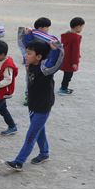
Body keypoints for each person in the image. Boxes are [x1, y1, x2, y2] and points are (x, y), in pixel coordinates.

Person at [5, 39, 63, 171]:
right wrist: (28, 34)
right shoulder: (31, 65)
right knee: (39, 130)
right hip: (33, 104)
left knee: (31, 135)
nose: (26, 55)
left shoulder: (45, 69)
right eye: (27, 53)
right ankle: (44, 153)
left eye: (29, 54)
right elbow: (25, 42)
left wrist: (54, 50)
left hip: (43, 106)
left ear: (39, 57)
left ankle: (19, 162)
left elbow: (53, 60)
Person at [59, 17, 84, 95]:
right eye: (82, 26)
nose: (82, 28)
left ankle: (63, 87)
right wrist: (75, 62)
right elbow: (75, 51)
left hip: (65, 58)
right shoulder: (76, 38)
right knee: (68, 75)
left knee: (66, 74)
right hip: (70, 60)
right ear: (78, 26)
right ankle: (63, 89)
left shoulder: (66, 35)